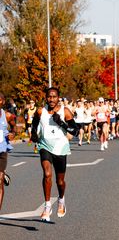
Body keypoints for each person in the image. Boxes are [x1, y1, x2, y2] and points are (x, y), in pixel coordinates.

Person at [31, 87, 79, 222]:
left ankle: (61, 200)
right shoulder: (41, 111)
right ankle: (47, 206)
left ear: (58, 98)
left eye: (54, 97)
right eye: (49, 97)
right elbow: (34, 124)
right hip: (44, 146)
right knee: (47, 174)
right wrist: (34, 134)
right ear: (45, 98)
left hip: (61, 148)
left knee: (60, 181)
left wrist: (62, 123)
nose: (51, 99)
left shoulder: (65, 112)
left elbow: (75, 131)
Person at [0, 92, 16, 211]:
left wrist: (13, 134)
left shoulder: (7, 115)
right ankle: (4, 174)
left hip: (1, 151)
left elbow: (14, 127)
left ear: (3, 102)